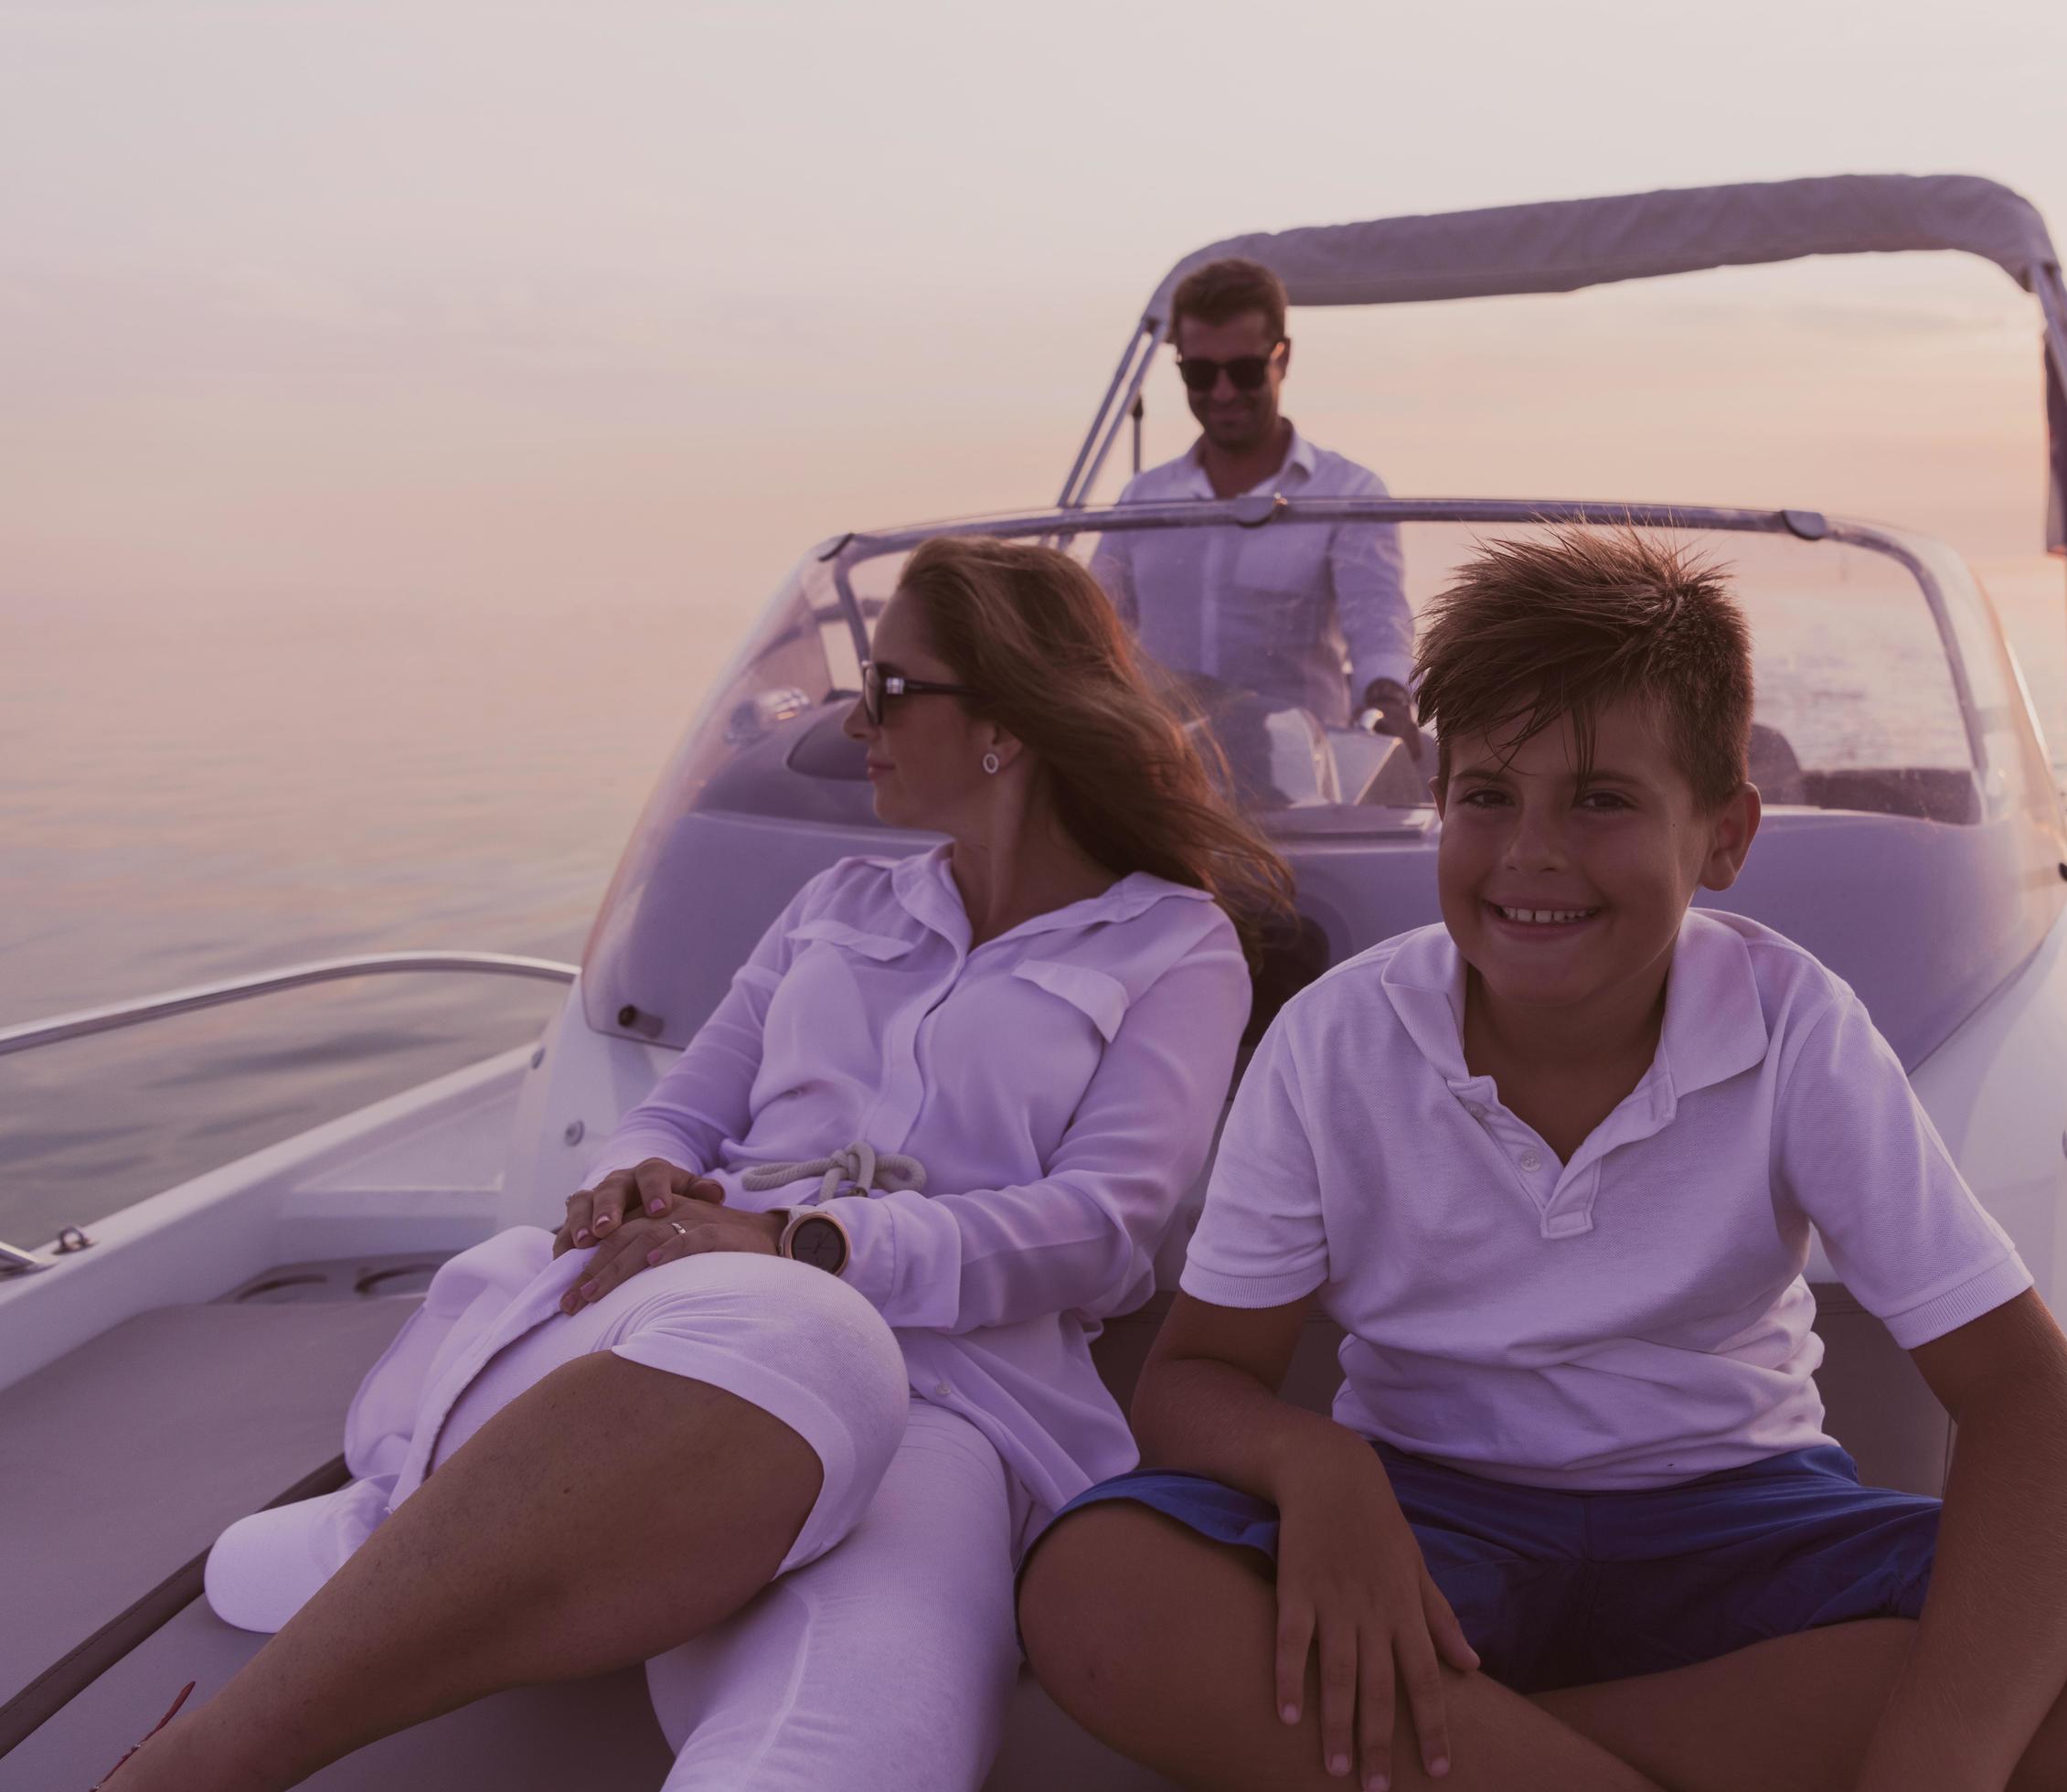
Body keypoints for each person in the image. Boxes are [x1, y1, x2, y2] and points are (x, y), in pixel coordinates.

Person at [1019, 529, 2067, 1792]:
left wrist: (1938, 1764)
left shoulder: (1796, 1028)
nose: (1532, 852)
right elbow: (1194, 1381)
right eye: (1487, 794)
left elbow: (2031, 1412)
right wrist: (1319, 1466)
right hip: (1426, 1528)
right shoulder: (1335, 1038)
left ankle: (1474, 1748)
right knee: (1096, 1589)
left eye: (1601, 799)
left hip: (1741, 1523)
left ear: (1723, 838)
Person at [113, 539, 1289, 1792]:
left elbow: (1103, 1231)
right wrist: (639, 1176)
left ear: (1003, 723)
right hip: (677, 1321)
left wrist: (812, 1247)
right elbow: (683, 1109)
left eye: (892, 689)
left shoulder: (1174, 945)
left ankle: (459, 1551)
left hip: (959, 1394)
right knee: (806, 1336)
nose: (854, 719)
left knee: (875, 1733)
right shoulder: (839, 899)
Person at [1090, 256, 1422, 764]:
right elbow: (1095, 628)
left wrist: (1388, 700)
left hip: (1305, 782)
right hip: (1161, 781)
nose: (1222, 393)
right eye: (1201, 373)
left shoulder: (1350, 491)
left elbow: (1377, 622)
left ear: (1282, 359)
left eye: (1243, 371)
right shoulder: (1141, 499)